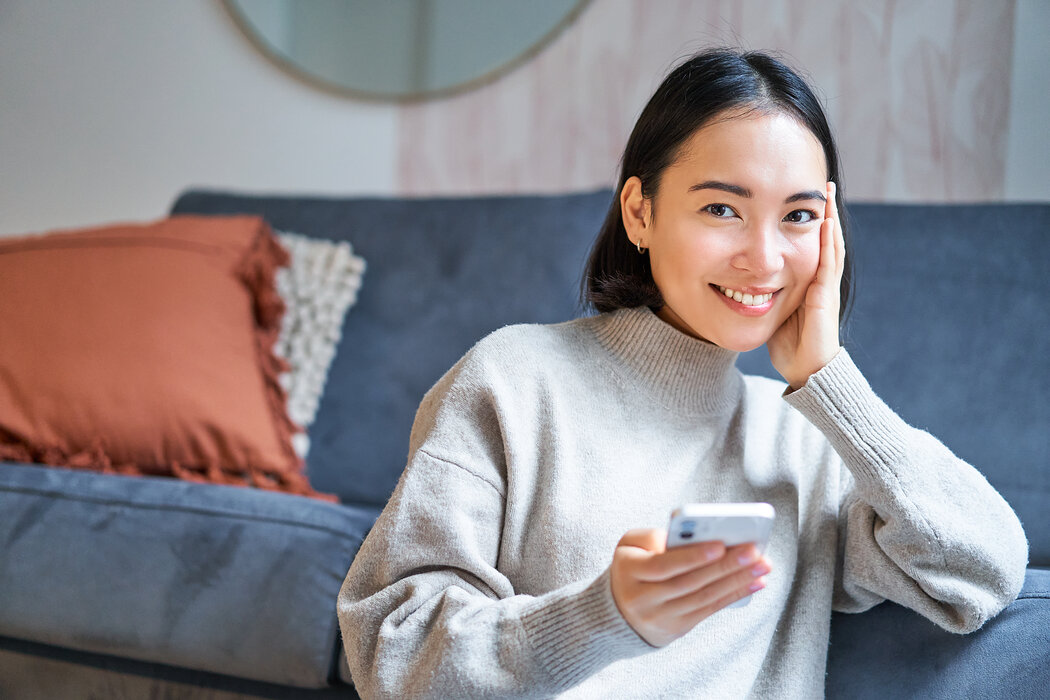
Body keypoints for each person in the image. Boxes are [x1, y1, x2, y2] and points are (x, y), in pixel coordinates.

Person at [338, 48, 1028, 698]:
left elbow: (983, 572)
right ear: (640, 212)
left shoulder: (806, 441)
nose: (764, 259)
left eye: (798, 216)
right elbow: (391, 651)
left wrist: (829, 380)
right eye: (722, 208)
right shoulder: (515, 380)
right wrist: (604, 614)